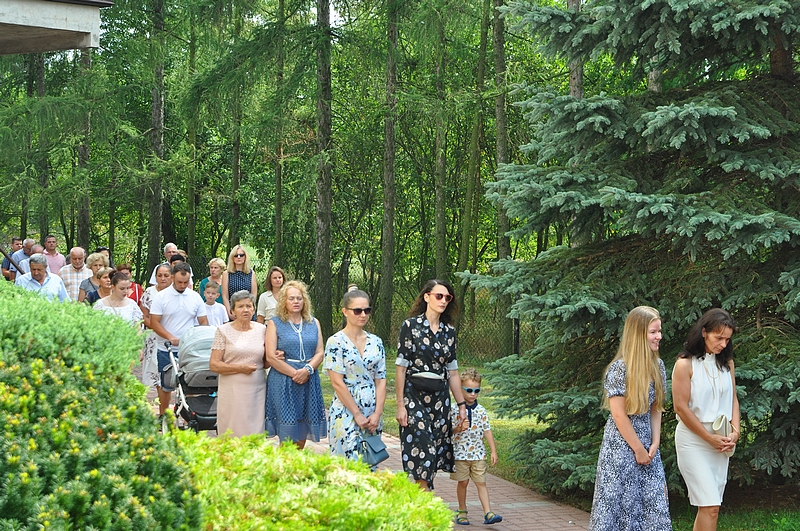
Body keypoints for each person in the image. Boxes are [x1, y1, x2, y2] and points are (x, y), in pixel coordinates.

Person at [588, 306, 671, 531]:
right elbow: (618, 414)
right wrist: (637, 449)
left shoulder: (658, 366)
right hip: (622, 447)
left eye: (659, 331)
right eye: (653, 332)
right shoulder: (619, 369)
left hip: (648, 447)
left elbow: (656, 408)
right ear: (638, 334)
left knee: (654, 506)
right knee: (621, 507)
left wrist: (655, 442)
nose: (659, 336)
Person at [396, 279, 467, 491]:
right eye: (439, 296)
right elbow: (400, 368)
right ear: (426, 297)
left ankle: (421, 497)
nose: (443, 300)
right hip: (414, 396)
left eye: (447, 297)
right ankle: (423, 498)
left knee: (434, 449)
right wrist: (400, 405)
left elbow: (452, 372)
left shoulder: (449, 332)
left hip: (439, 399)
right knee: (424, 447)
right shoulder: (410, 326)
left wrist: (461, 405)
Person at [673, 308, 740, 531]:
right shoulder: (685, 364)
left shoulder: (727, 363)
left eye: (727, 339)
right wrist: (708, 438)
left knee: (711, 508)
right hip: (694, 440)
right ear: (704, 332)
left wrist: (735, 432)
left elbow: (733, 399)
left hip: (721, 440)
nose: (723, 343)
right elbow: (680, 408)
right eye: (718, 338)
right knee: (709, 506)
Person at [324, 289, 386, 462]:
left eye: (367, 310)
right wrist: (357, 414)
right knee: (345, 463)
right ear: (345, 311)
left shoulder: (376, 341)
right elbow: (337, 382)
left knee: (370, 459)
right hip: (346, 409)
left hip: (371, 409)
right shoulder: (335, 341)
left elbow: (381, 379)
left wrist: (377, 413)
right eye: (357, 311)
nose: (363, 315)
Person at [265, 280, 327, 448]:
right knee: (288, 433)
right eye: (291, 298)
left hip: (308, 380)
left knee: (302, 432)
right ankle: (284, 463)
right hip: (284, 381)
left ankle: (296, 462)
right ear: (284, 301)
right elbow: (270, 356)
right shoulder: (275, 323)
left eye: (299, 298)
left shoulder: (314, 322)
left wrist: (307, 370)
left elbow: (320, 352)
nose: (296, 302)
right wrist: (295, 373)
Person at [149, 262, 209, 416]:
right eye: (179, 282)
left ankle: (191, 415)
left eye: (185, 282)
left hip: (188, 349)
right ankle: (164, 416)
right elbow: (154, 322)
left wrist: (198, 338)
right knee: (166, 385)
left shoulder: (195, 297)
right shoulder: (161, 297)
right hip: (166, 348)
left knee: (192, 384)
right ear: (172, 278)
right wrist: (170, 337)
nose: (182, 285)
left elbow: (203, 321)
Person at [209, 290, 267, 437]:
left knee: (255, 428)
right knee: (232, 429)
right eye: (240, 306)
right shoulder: (223, 331)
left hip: (257, 389)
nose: (245, 310)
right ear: (232, 310)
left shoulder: (262, 329)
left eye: (249, 306)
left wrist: (275, 355)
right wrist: (241, 368)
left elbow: (265, 362)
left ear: (254, 309)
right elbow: (214, 364)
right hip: (232, 389)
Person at [450, 368, 502, 526]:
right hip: (460, 454)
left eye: (477, 391)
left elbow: (487, 430)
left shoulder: (481, 410)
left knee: (481, 482)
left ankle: (488, 512)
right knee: (463, 483)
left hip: (478, 454)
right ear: (460, 389)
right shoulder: (454, 409)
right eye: (469, 390)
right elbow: (448, 431)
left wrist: (493, 451)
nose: (473, 394)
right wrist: (458, 428)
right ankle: (462, 511)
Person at [140, 264, 172, 390]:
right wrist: (156, 327)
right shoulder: (149, 292)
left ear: (172, 277)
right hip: (153, 335)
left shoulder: (176, 293)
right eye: (160, 275)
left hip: (171, 335)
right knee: (153, 366)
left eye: (166, 275)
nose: (163, 278)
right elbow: (144, 315)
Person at [222, 245, 258, 320]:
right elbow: (225, 296)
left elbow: (254, 294)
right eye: (236, 255)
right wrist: (229, 312)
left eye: (241, 255)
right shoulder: (227, 274)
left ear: (245, 257)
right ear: (232, 257)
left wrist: (252, 309)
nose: (239, 257)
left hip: (248, 310)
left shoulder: (251, 273)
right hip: (233, 310)